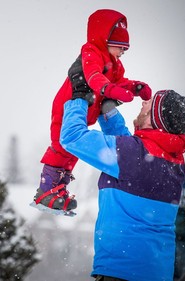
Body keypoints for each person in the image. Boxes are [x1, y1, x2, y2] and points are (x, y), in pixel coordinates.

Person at [60, 83, 185, 280]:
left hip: (121, 272)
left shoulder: (133, 155)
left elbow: (72, 136)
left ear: (154, 120)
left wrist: (77, 99)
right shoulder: (174, 162)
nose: (145, 101)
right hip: (155, 272)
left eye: (150, 103)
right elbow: (131, 151)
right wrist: (107, 112)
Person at [33, 9, 152, 212]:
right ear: (104, 40)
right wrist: (111, 89)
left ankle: (59, 187)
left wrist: (134, 87)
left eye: (125, 49)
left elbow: (118, 81)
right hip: (69, 107)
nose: (122, 53)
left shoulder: (115, 64)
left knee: (73, 151)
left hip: (87, 111)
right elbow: (94, 77)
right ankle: (45, 190)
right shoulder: (91, 52)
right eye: (120, 47)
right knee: (60, 147)